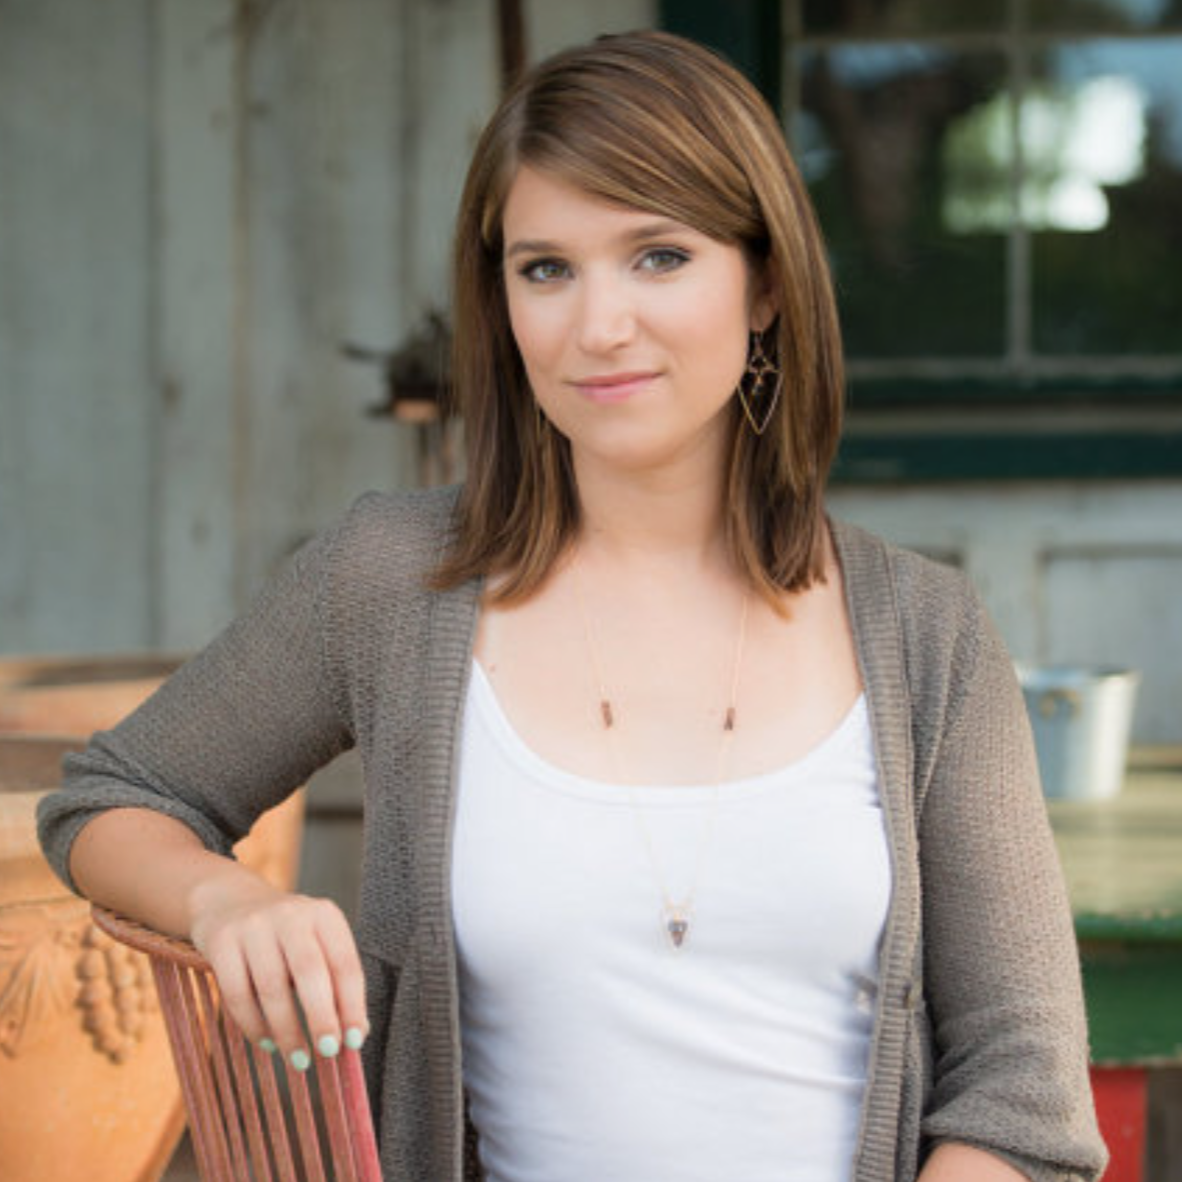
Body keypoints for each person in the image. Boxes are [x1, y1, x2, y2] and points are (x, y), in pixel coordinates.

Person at [39, 30, 1106, 1182]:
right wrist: (224, 901)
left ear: (767, 287)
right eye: (545, 268)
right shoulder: (391, 580)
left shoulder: (926, 636)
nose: (597, 326)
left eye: (657, 256)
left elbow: (1022, 1097)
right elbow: (115, 795)